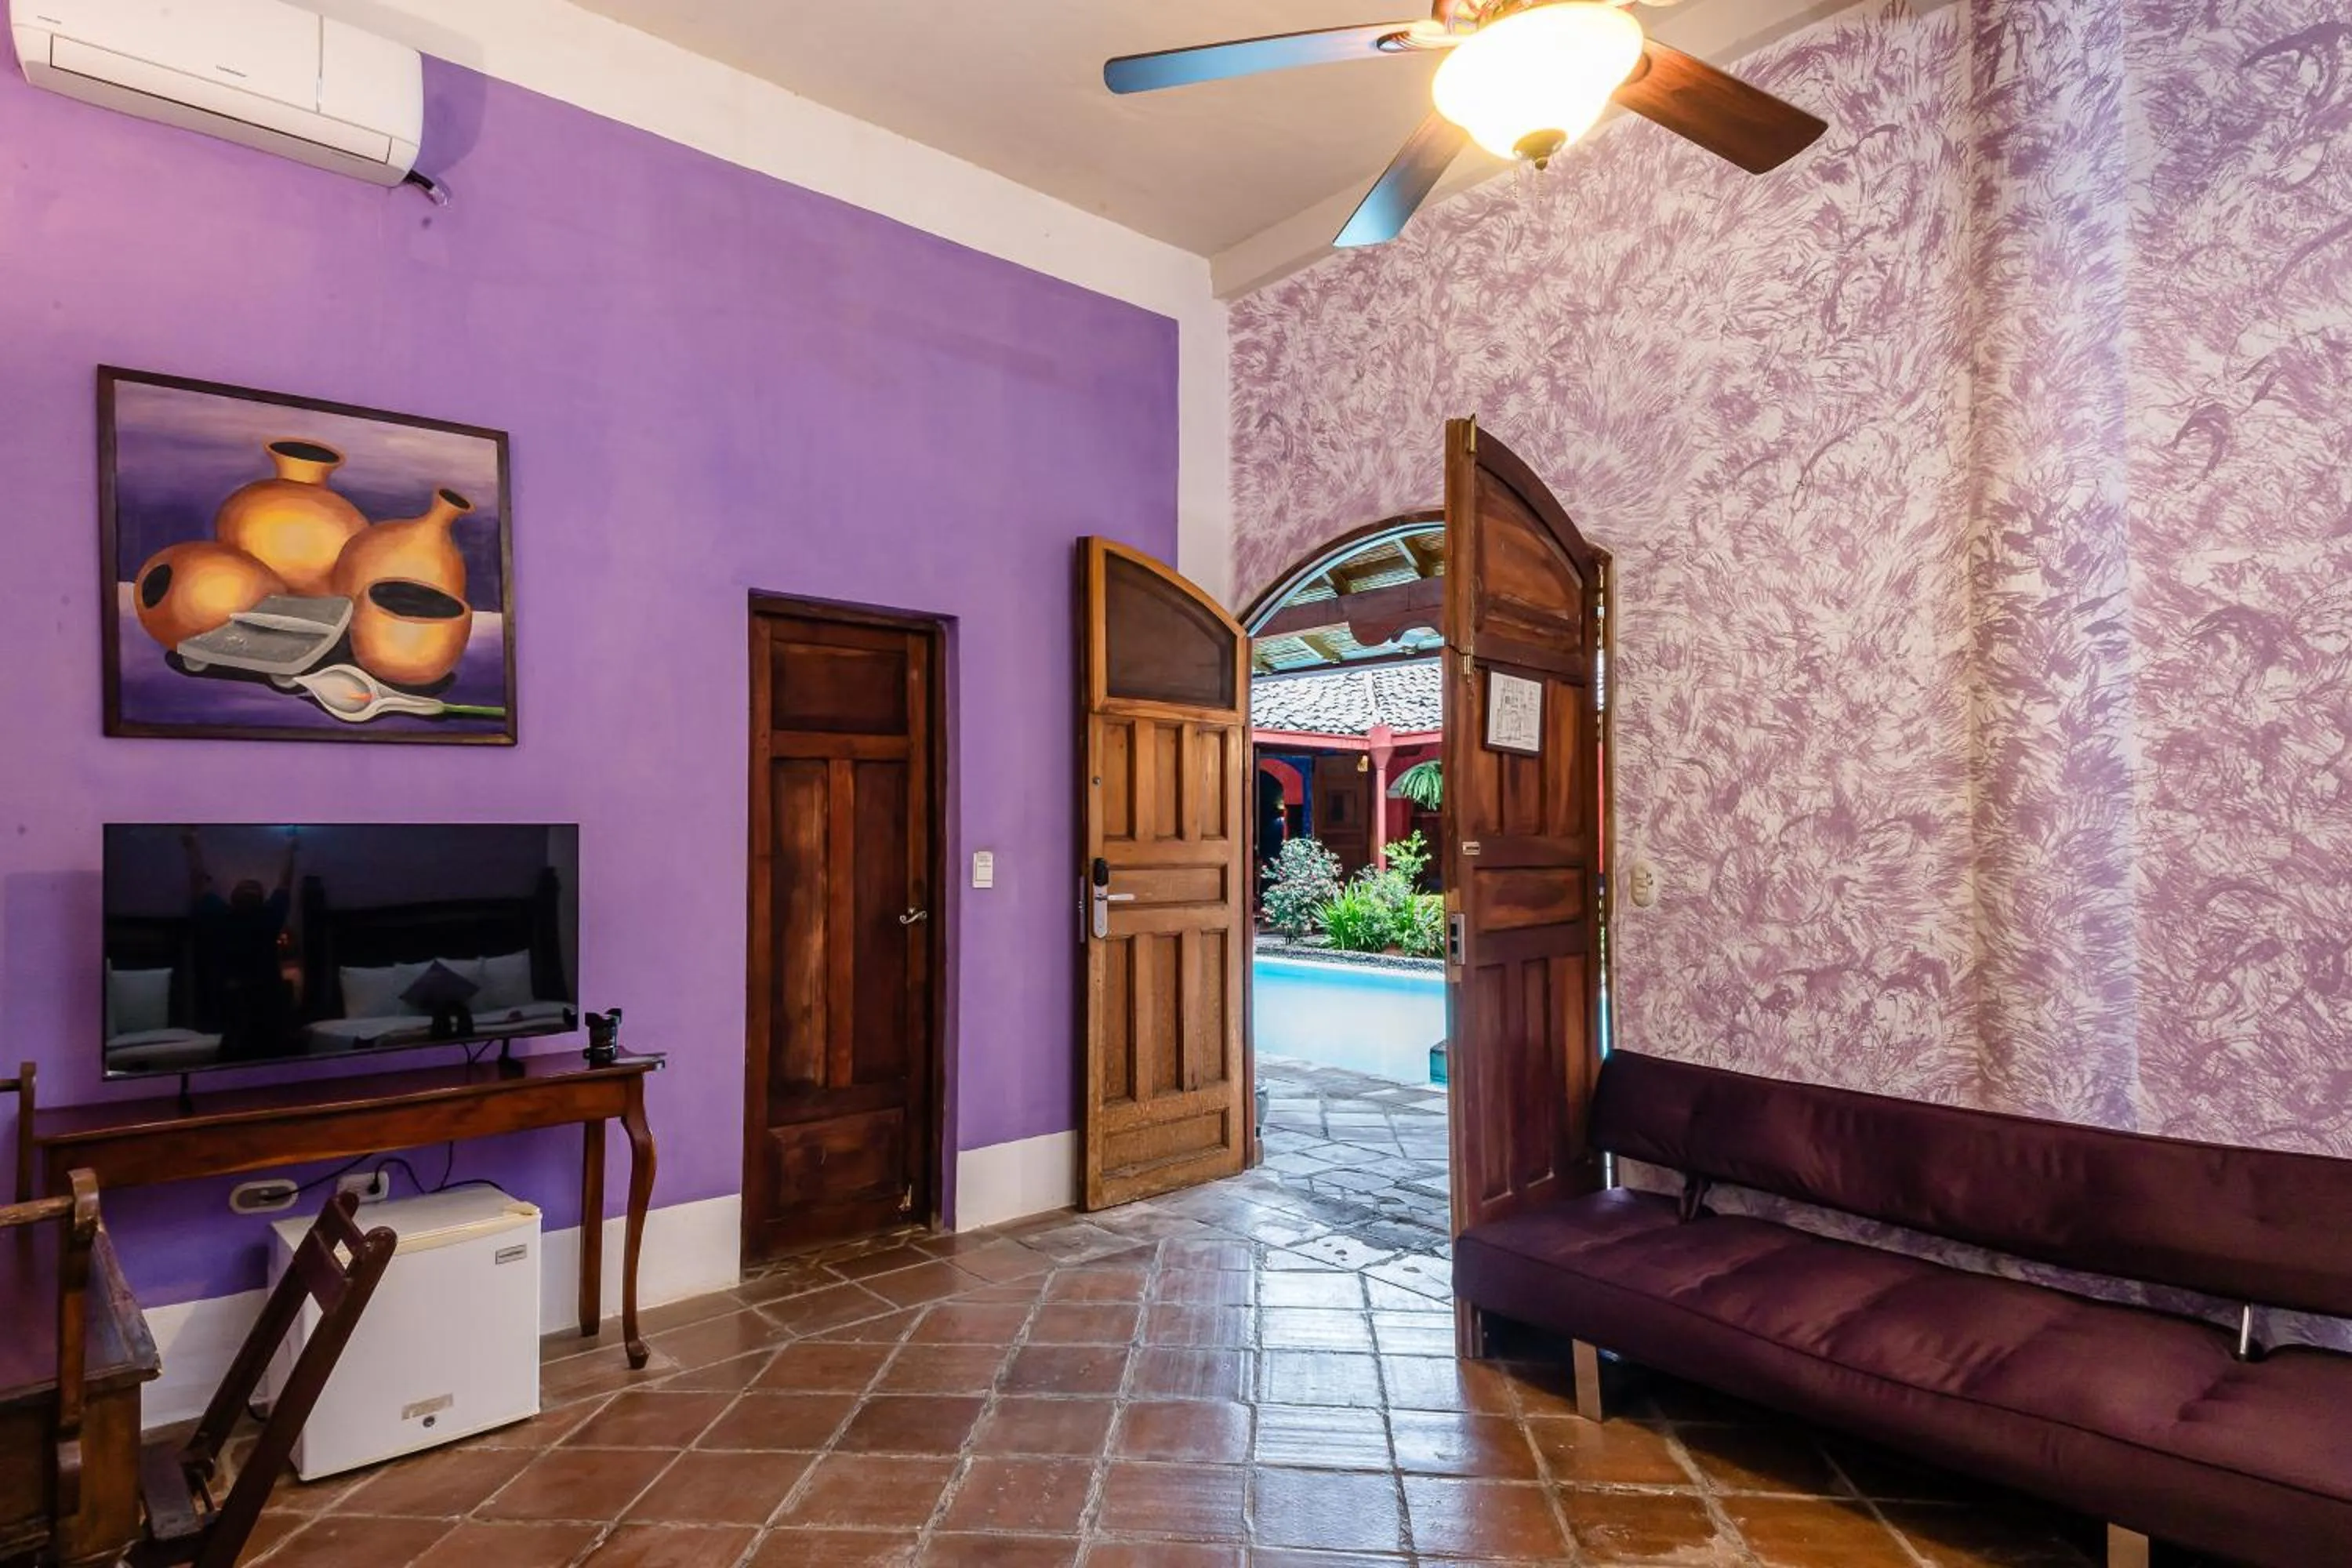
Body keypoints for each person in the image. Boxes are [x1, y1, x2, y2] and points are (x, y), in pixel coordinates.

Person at [184, 827, 296, 1062]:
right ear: (233, 896)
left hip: (256, 1002)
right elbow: (285, 883)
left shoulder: (251, 917)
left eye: (253, 887)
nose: (249, 888)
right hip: (240, 1002)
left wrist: (192, 845)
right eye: (247, 886)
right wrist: (290, 846)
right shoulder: (262, 917)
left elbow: (199, 883)